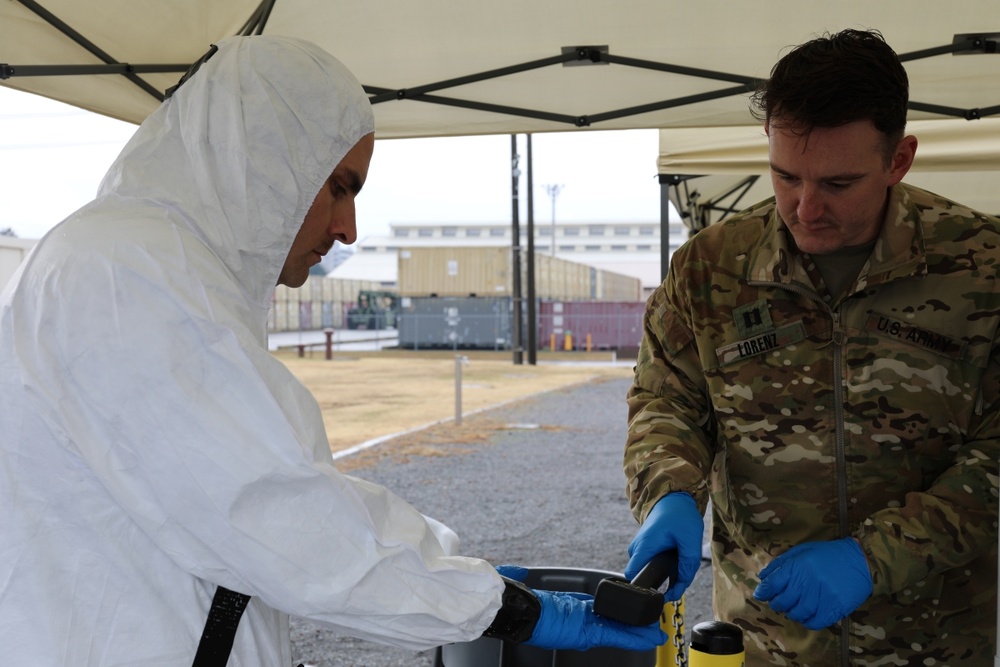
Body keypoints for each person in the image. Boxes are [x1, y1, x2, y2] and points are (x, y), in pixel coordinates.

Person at [0, 36, 665, 665]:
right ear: (262, 160)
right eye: (340, 187)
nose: (347, 227)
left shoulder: (156, 266)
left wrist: (456, 567)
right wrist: (497, 604)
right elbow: (272, 512)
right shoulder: (126, 272)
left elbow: (274, 484)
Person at [623, 28, 1000, 665]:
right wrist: (669, 492)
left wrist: (877, 556)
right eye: (784, 176)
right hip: (761, 640)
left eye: (838, 183)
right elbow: (668, 405)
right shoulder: (709, 271)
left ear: (899, 159)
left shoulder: (981, 266)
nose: (806, 208)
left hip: (934, 640)